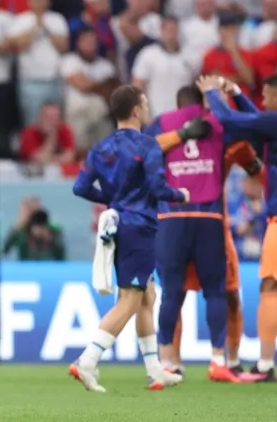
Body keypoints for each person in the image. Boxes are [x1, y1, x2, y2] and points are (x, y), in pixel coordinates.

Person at [69, 85, 188, 393]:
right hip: (140, 226)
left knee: (148, 296)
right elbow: (158, 186)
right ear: (136, 110)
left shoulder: (101, 148)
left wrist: (110, 197)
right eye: (145, 104)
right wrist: (181, 194)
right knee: (131, 299)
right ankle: (87, 361)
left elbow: (80, 187)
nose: (147, 109)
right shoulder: (147, 145)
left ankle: (155, 370)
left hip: (119, 221)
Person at [200, 74, 277, 383]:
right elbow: (256, 119)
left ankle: (265, 365)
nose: (262, 102)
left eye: (266, 96)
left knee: (270, 287)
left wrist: (212, 94)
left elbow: (236, 122)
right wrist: (237, 91)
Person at [145, 86, 236, 383]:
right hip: (208, 216)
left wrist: (179, 136)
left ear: (177, 103)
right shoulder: (217, 122)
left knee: (172, 292)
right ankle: (218, 358)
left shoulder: (162, 122)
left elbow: (143, 150)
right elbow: (242, 129)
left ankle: (167, 360)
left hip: (172, 216)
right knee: (215, 291)